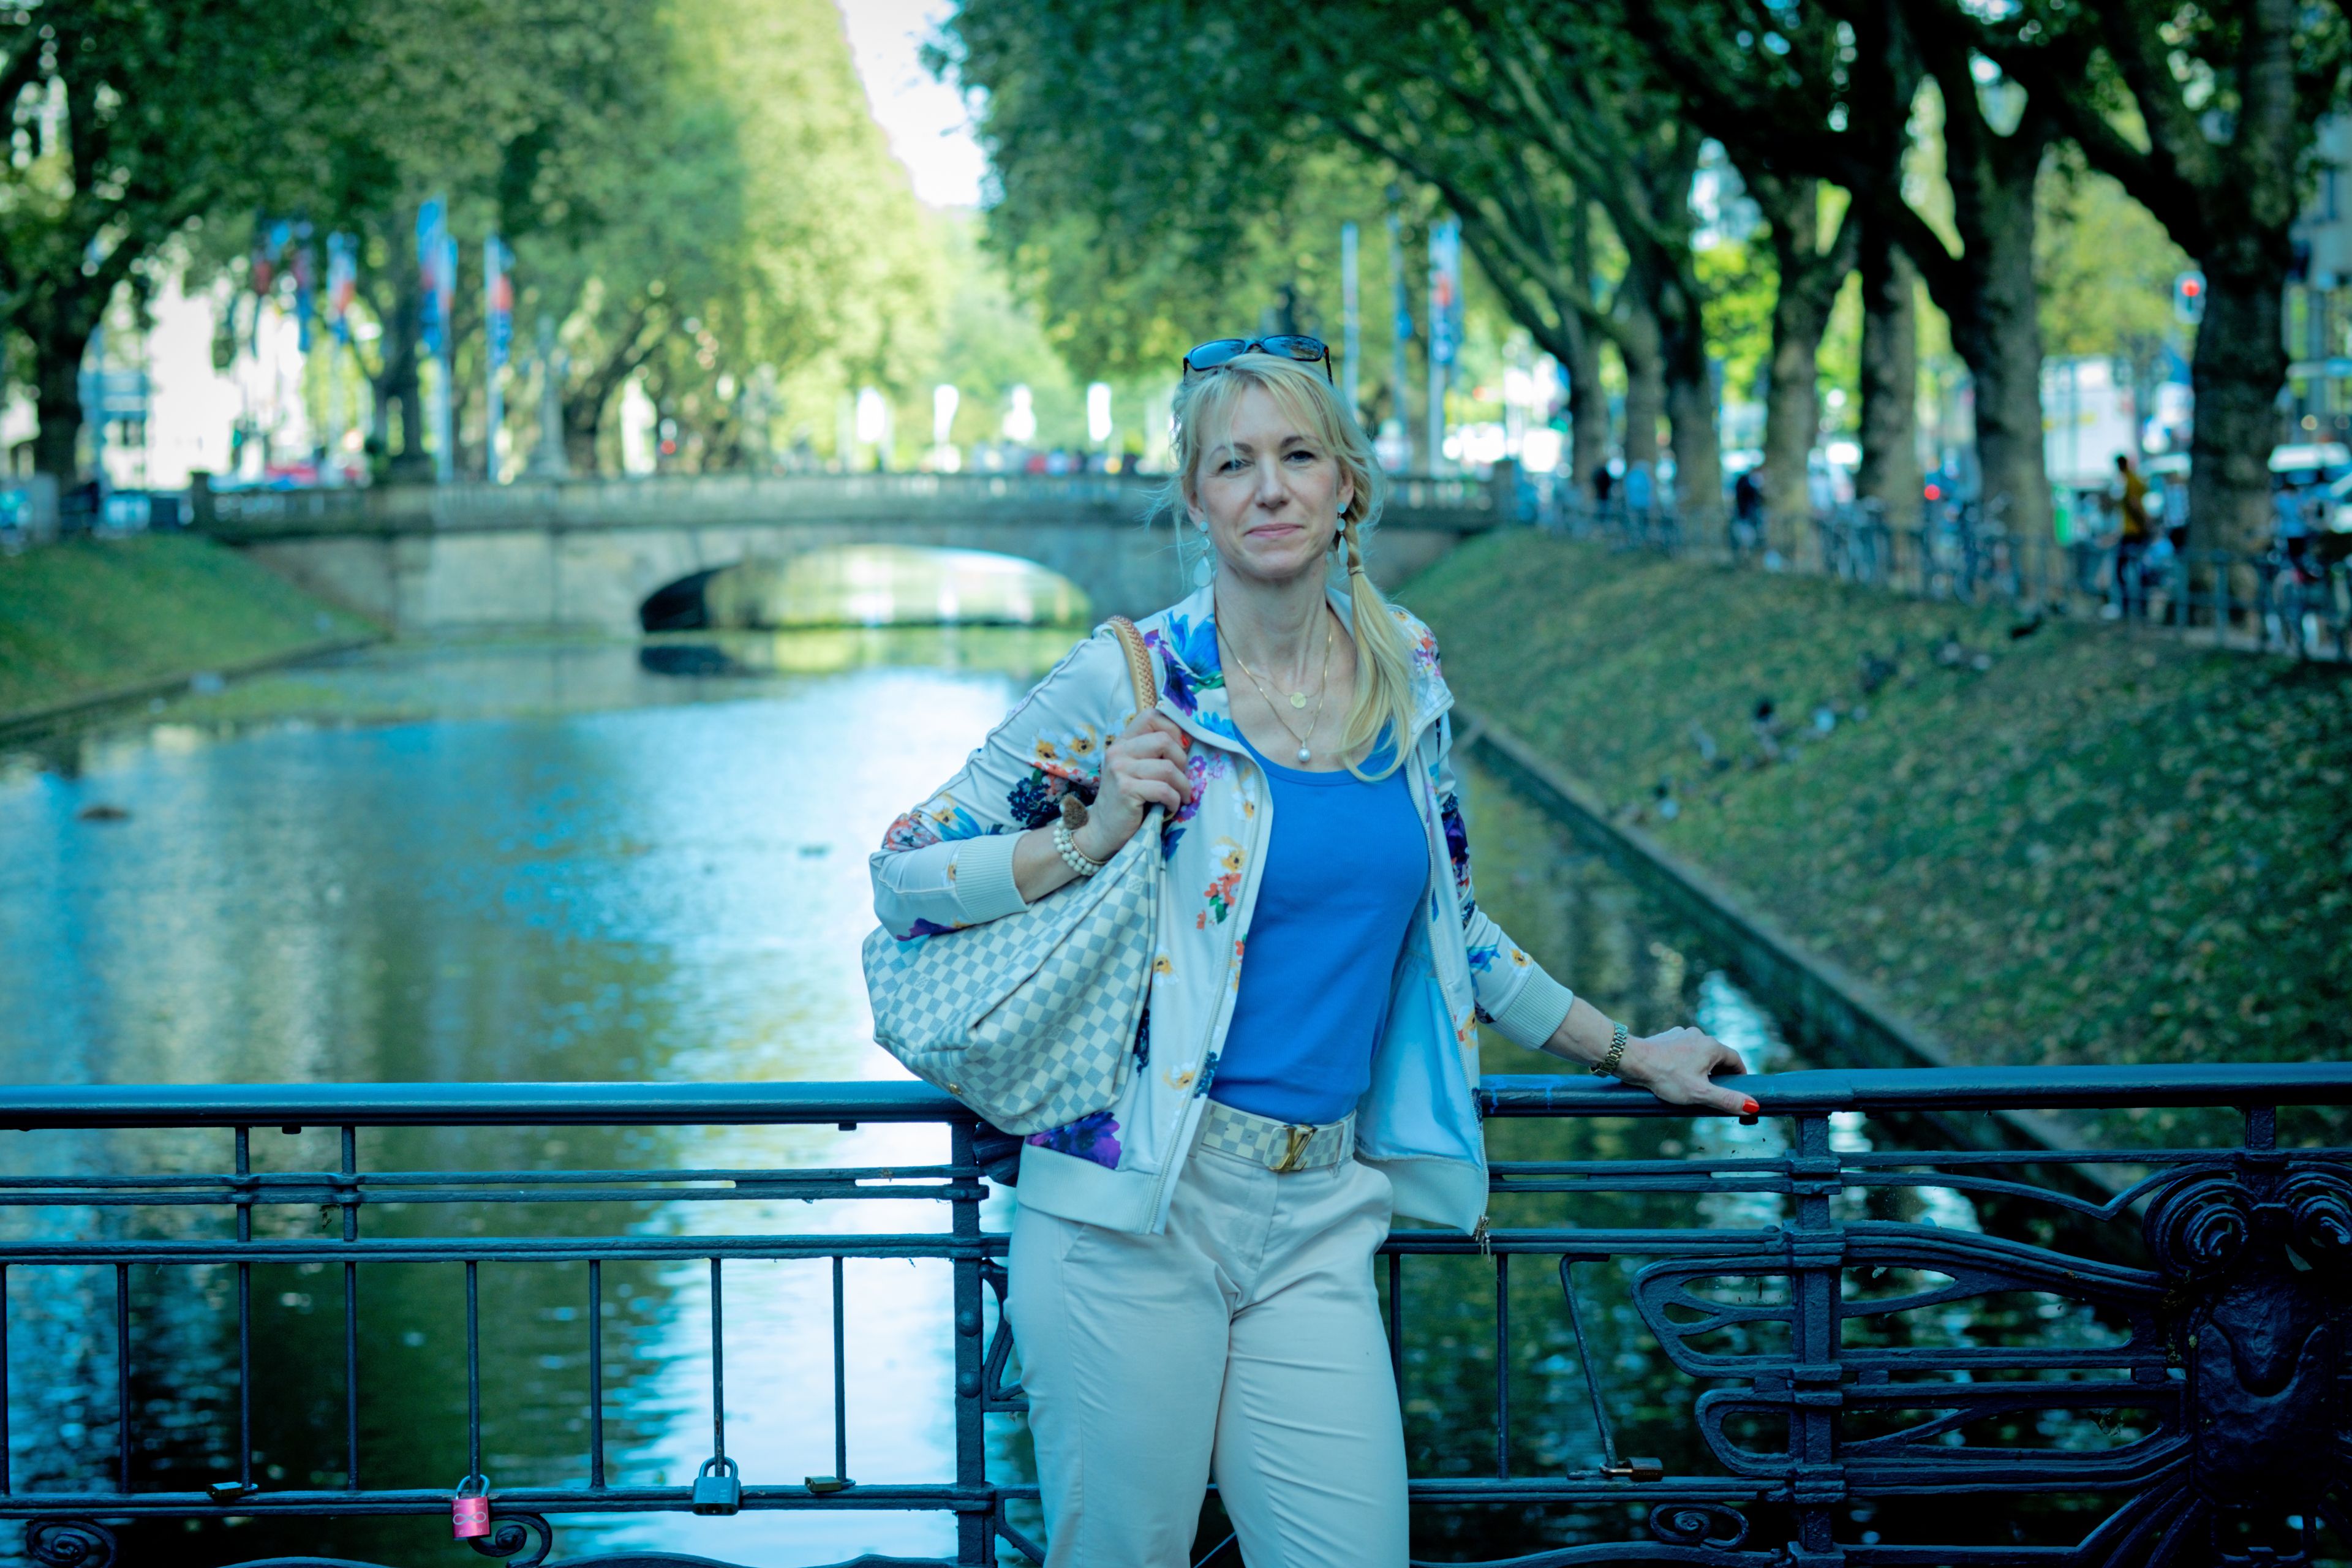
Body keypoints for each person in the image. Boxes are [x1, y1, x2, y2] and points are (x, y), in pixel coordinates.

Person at [869, 342, 1751, 1568]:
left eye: (1297, 455)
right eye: (1233, 464)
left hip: (1325, 1209)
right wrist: (1089, 835)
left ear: (1347, 485)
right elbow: (904, 872)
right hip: (1133, 1214)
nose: (1269, 487)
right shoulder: (1132, 678)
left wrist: (1630, 1051)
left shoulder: (1406, 673)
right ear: (1196, 500)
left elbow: (1453, 926)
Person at [2114, 453, 2153, 620]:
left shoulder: (2130, 481)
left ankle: (2129, 606)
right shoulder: (2135, 479)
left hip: (2132, 533)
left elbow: (2134, 503)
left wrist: (2146, 523)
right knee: (2139, 568)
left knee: (2122, 570)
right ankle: (2141, 606)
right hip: (2135, 532)